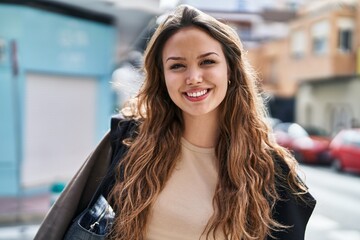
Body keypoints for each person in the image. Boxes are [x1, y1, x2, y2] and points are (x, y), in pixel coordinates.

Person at [35, 4, 315, 240]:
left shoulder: (270, 171)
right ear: (163, 76)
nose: (193, 76)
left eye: (207, 62)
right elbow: (66, 219)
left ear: (230, 70)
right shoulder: (129, 142)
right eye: (177, 65)